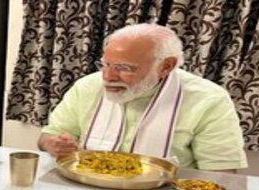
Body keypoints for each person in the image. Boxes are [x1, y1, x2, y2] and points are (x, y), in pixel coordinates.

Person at [38, 23, 248, 171]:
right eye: (106, 64)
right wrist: (52, 144)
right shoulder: (87, 87)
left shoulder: (209, 99)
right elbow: (46, 138)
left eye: (124, 68)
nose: (108, 77)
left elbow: (221, 173)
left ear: (166, 66)